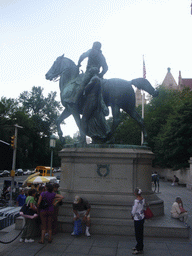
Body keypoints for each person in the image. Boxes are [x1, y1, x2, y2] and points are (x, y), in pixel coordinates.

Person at [131, 188, 145, 255]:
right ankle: (139, 246)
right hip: (142, 217)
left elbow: (134, 210)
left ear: (136, 193)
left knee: (137, 234)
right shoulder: (143, 199)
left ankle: (139, 248)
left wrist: (132, 215)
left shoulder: (136, 201)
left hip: (137, 218)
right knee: (140, 233)